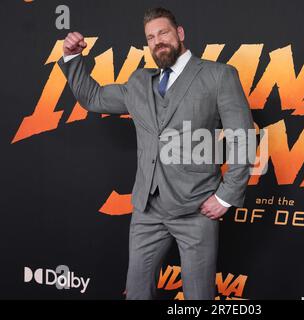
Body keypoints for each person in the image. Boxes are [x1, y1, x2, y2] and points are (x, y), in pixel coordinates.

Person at [58, 7, 254, 299]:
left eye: (163, 32)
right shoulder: (139, 82)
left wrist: (226, 195)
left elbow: (243, 138)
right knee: (137, 292)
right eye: (150, 37)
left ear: (180, 33)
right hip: (147, 210)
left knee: (198, 297)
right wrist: (73, 57)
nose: (157, 41)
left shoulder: (218, 75)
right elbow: (93, 98)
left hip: (196, 210)